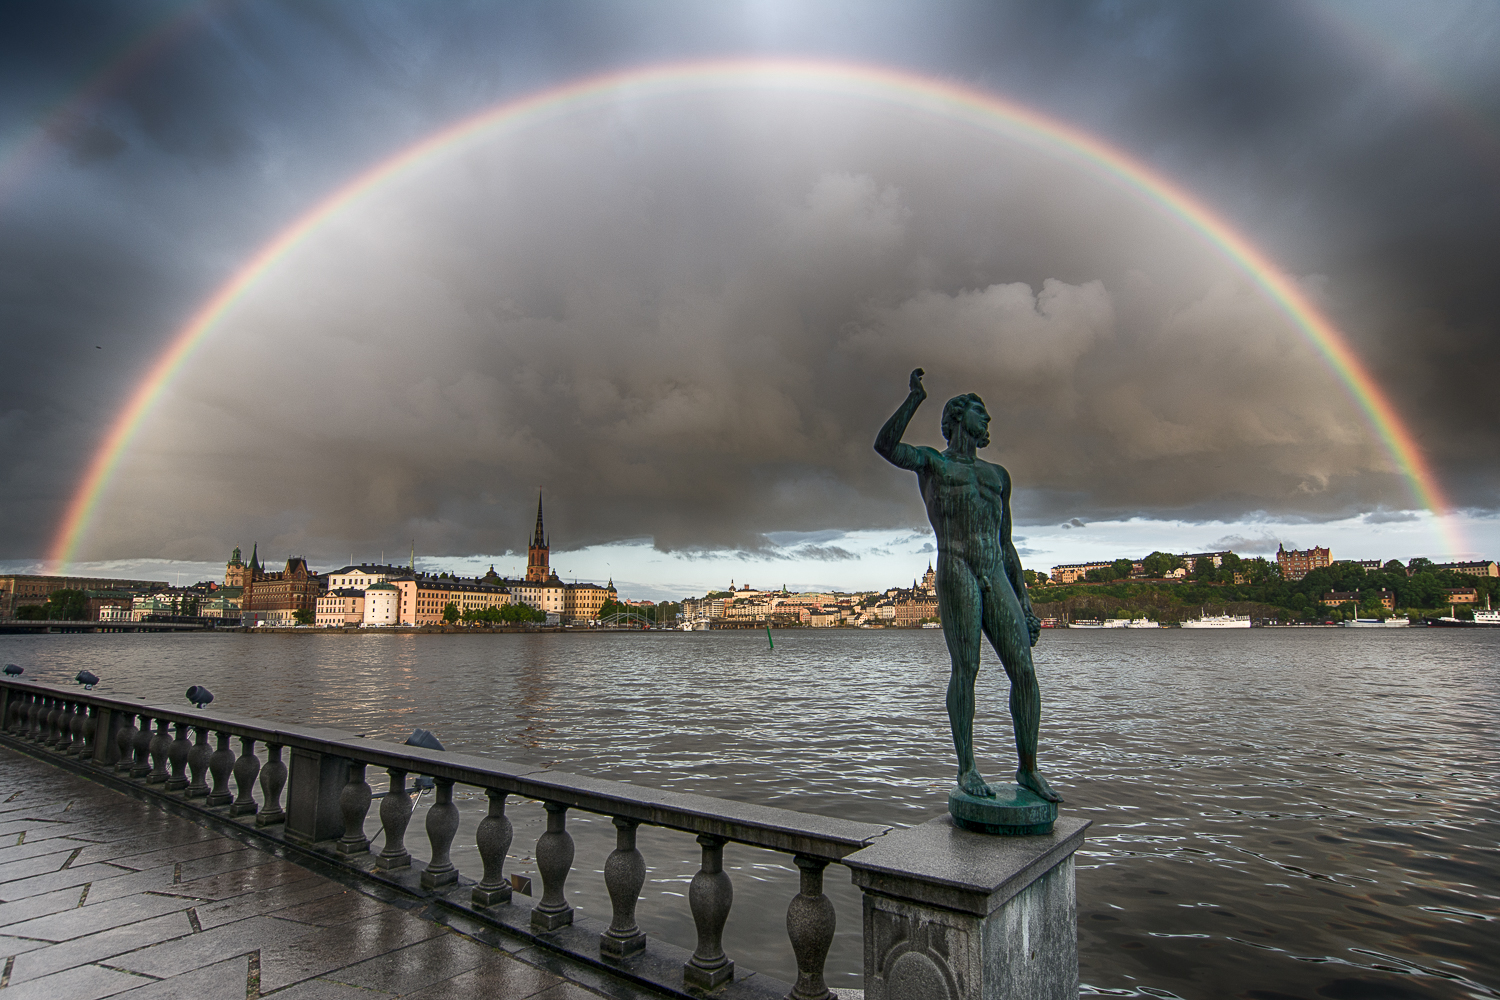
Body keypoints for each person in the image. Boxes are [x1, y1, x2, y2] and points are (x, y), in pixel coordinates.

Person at [875, 368, 1062, 803]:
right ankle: (967, 768)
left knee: (1025, 673)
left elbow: (1007, 543)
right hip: (957, 569)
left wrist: (1026, 602)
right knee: (968, 670)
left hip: (996, 572)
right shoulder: (933, 463)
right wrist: (913, 400)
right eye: (983, 415)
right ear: (959, 419)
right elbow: (885, 446)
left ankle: (1029, 769)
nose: (989, 422)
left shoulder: (999, 475)